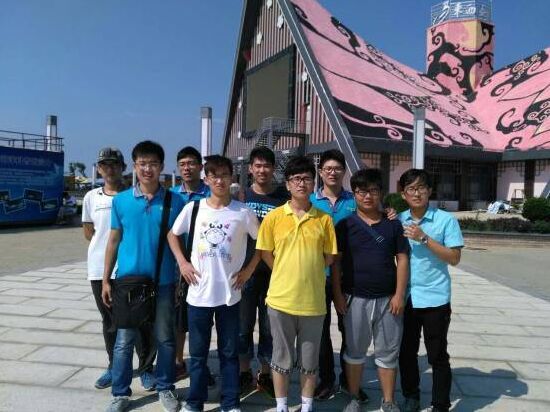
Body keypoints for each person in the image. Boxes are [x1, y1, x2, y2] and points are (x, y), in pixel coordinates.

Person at [169, 155, 260, 412]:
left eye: (224, 175)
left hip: (230, 295)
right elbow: (172, 235)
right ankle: (195, 402)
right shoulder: (194, 208)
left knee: (229, 354)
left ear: (232, 178)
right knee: (198, 355)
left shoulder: (243, 212)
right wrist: (183, 263)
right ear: (206, 179)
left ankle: (230, 403)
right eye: (214, 176)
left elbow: (263, 243)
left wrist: (248, 270)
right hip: (198, 295)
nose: (219, 180)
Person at [101, 141, 184, 412]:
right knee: (124, 341)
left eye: (153, 164)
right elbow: (113, 241)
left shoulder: (175, 201)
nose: (148, 169)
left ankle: (165, 387)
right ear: (135, 167)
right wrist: (106, 279)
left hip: (163, 282)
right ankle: (120, 393)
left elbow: (181, 244)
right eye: (142, 163)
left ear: (162, 167)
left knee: (165, 338)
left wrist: (180, 280)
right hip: (128, 283)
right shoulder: (121, 201)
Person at [256, 156, 338, 412]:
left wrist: (307, 270)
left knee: (309, 361)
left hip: (313, 303)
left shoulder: (324, 219)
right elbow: (265, 253)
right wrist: (285, 271)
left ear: (314, 184)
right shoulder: (274, 217)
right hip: (280, 301)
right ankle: (281, 405)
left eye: (307, 179)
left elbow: (329, 257)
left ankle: (306, 405)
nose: (302, 183)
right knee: (281, 357)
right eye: (296, 179)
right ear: (288, 184)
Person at [332, 169, 409, 412]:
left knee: (388, 353)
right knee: (355, 352)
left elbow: (402, 259)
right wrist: (337, 295)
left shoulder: (393, 225)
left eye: (373, 191)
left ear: (381, 193)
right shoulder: (345, 225)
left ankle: (389, 401)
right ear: (354, 194)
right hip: (354, 297)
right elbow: (336, 263)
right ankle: (354, 397)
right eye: (361, 191)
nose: (367, 196)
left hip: (388, 299)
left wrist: (399, 294)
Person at [82, 147, 156, 391]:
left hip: (130, 269)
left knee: (142, 321)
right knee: (110, 321)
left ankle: (146, 368)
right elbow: (89, 232)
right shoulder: (91, 197)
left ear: (124, 167)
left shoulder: (135, 195)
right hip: (99, 270)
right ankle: (114, 366)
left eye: (114, 164)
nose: (109, 169)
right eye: (104, 165)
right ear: (99, 168)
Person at [398, 169, 464, 412]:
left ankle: (440, 404)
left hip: (435, 297)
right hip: (406, 298)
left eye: (421, 188)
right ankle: (411, 396)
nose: (417, 193)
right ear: (403, 194)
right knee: (406, 352)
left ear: (429, 191)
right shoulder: (398, 220)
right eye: (411, 189)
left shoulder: (446, 220)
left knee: (437, 355)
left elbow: (454, 258)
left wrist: (424, 238)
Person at [237, 147, 288, 399]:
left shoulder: (283, 198)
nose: (262, 170)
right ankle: (244, 372)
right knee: (243, 327)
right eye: (257, 165)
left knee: (270, 329)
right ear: (250, 168)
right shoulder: (240, 196)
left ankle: (265, 374)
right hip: (244, 273)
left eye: (267, 165)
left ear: (273, 168)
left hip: (274, 273)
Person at [309, 149, 358, 402]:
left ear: (344, 172)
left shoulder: (355, 200)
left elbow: (375, 217)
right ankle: (326, 379)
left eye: (337, 168)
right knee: (320, 332)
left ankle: (350, 380)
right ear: (320, 172)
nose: (332, 172)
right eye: (328, 168)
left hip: (349, 275)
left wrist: (390, 213)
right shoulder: (309, 200)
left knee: (349, 329)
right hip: (316, 275)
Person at [170, 146, 214, 386]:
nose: (187, 168)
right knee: (179, 320)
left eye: (191, 163)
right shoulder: (172, 196)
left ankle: (201, 364)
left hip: (207, 266)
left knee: (202, 321)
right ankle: (178, 362)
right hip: (179, 266)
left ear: (200, 167)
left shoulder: (211, 194)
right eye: (182, 164)